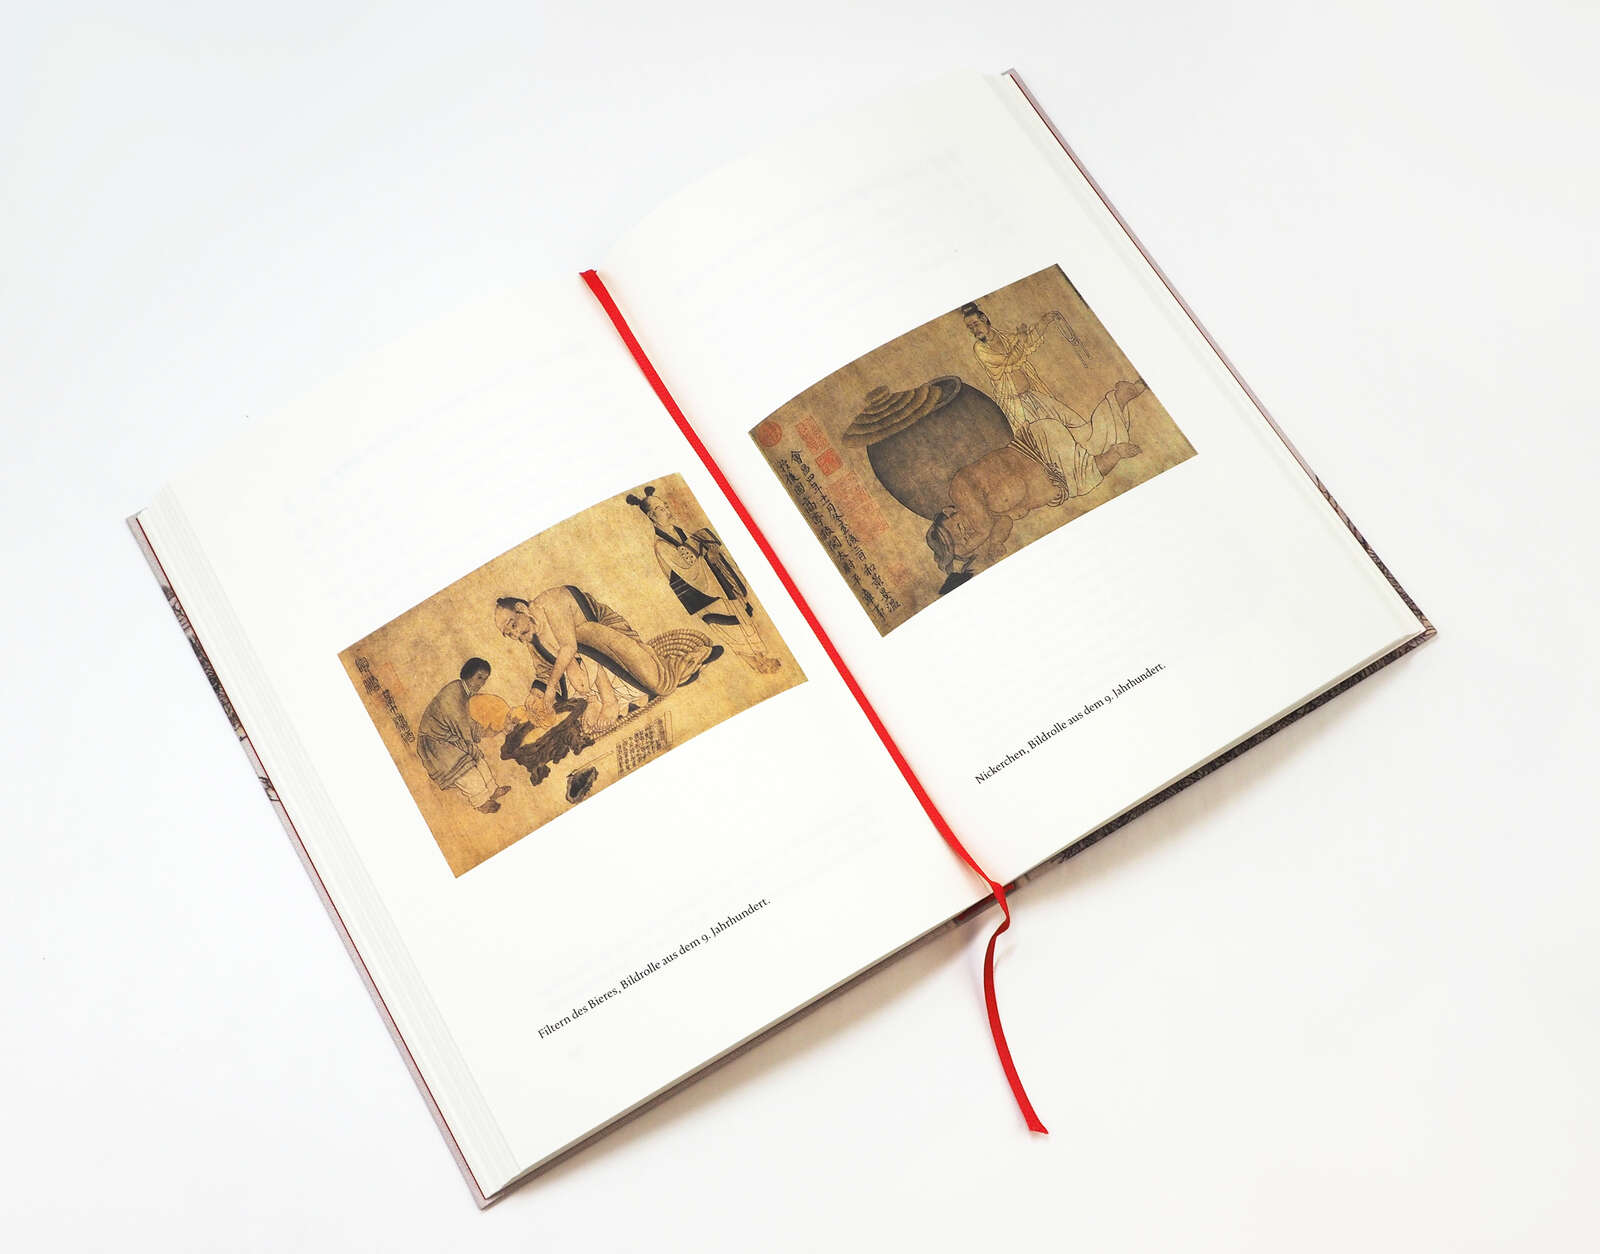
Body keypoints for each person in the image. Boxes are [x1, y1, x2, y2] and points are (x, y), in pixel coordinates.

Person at [925, 381, 1147, 588]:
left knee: (1093, 447)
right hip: (1060, 479)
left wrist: (978, 539)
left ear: (949, 512)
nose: (966, 535)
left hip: (1039, 449)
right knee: (1094, 455)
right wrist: (994, 543)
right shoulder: (991, 518)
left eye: (957, 531)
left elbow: (982, 524)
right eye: (966, 542)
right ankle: (1119, 405)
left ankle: (1116, 424)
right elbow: (1004, 524)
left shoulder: (961, 491)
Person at [963, 301, 1136, 498]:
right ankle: (1076, 478)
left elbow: (1028, 341)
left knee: (1073, 425)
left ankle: (1104, 448)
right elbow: (1008, 360)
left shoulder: (1002, 336)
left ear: (984, 319)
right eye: (970, 328)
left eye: (975, 324)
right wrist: (1021, 339)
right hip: (1017, 407)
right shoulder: (980, 349)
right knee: (1049, 445)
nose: (974, 330)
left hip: (1034, 396)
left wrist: (1046, 321)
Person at [492, 586, 719, 735]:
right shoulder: (531, 636)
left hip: (611, 641)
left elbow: (570, 646)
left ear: (521, 609)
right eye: (509, 634)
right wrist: (536, 694)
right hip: (591, 674)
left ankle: (681, 664)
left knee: (659, 683)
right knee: (569, 680)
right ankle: (598, 700)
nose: (515, 635)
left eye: (513, 625)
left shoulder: (550, 602)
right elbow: (544, 670)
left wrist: (551, 687)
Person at [625, 485, 781, 674]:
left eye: (665, 506)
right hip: (701, 594)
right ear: (651, 516)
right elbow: (689, 567)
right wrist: (701, 542)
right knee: (731, 629)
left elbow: (699, 551)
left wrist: (705, 546)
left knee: (741, 618)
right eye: (660, 509)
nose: (666, 510)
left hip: (714, 586)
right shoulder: (660, 544)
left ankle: (761, 656)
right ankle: (754, 663)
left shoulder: (679, 531)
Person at [416, 658, 512, 814]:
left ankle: (492, 790)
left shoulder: (468, 694)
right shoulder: (454, 692)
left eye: (485, 679)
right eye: (479, 677)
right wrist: (471, 742)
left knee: (478, 758)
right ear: (469, 673)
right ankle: (481, 802)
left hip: (452, 738)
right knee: (465, 767)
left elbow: (470, 722)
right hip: (435, 742)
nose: (481, 683)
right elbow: (460, 722)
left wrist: (497, 729)